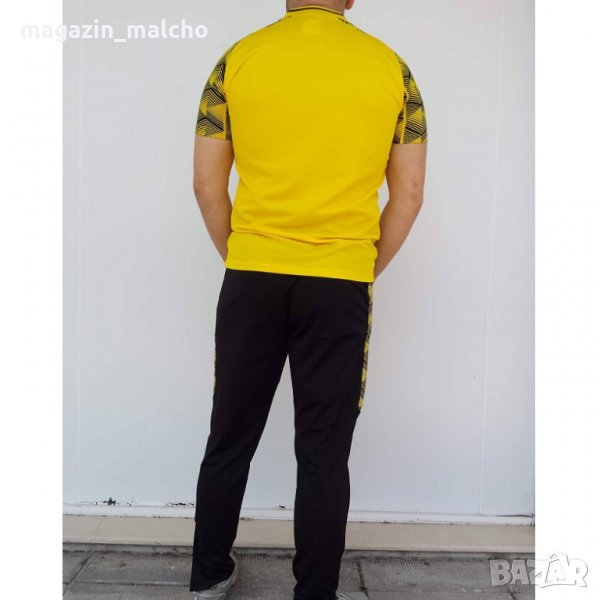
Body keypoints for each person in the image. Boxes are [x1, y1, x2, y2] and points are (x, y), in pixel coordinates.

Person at [189, 1, 428, 599]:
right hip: (339, 283)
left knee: (229, 435)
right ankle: (316, 592)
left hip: (252, 275)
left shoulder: (236, 61)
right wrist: (356, 268)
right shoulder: (391, 69)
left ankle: (209, 577)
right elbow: (409, 194)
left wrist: (244, 256)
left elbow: (206, 184)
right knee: (324, 451)